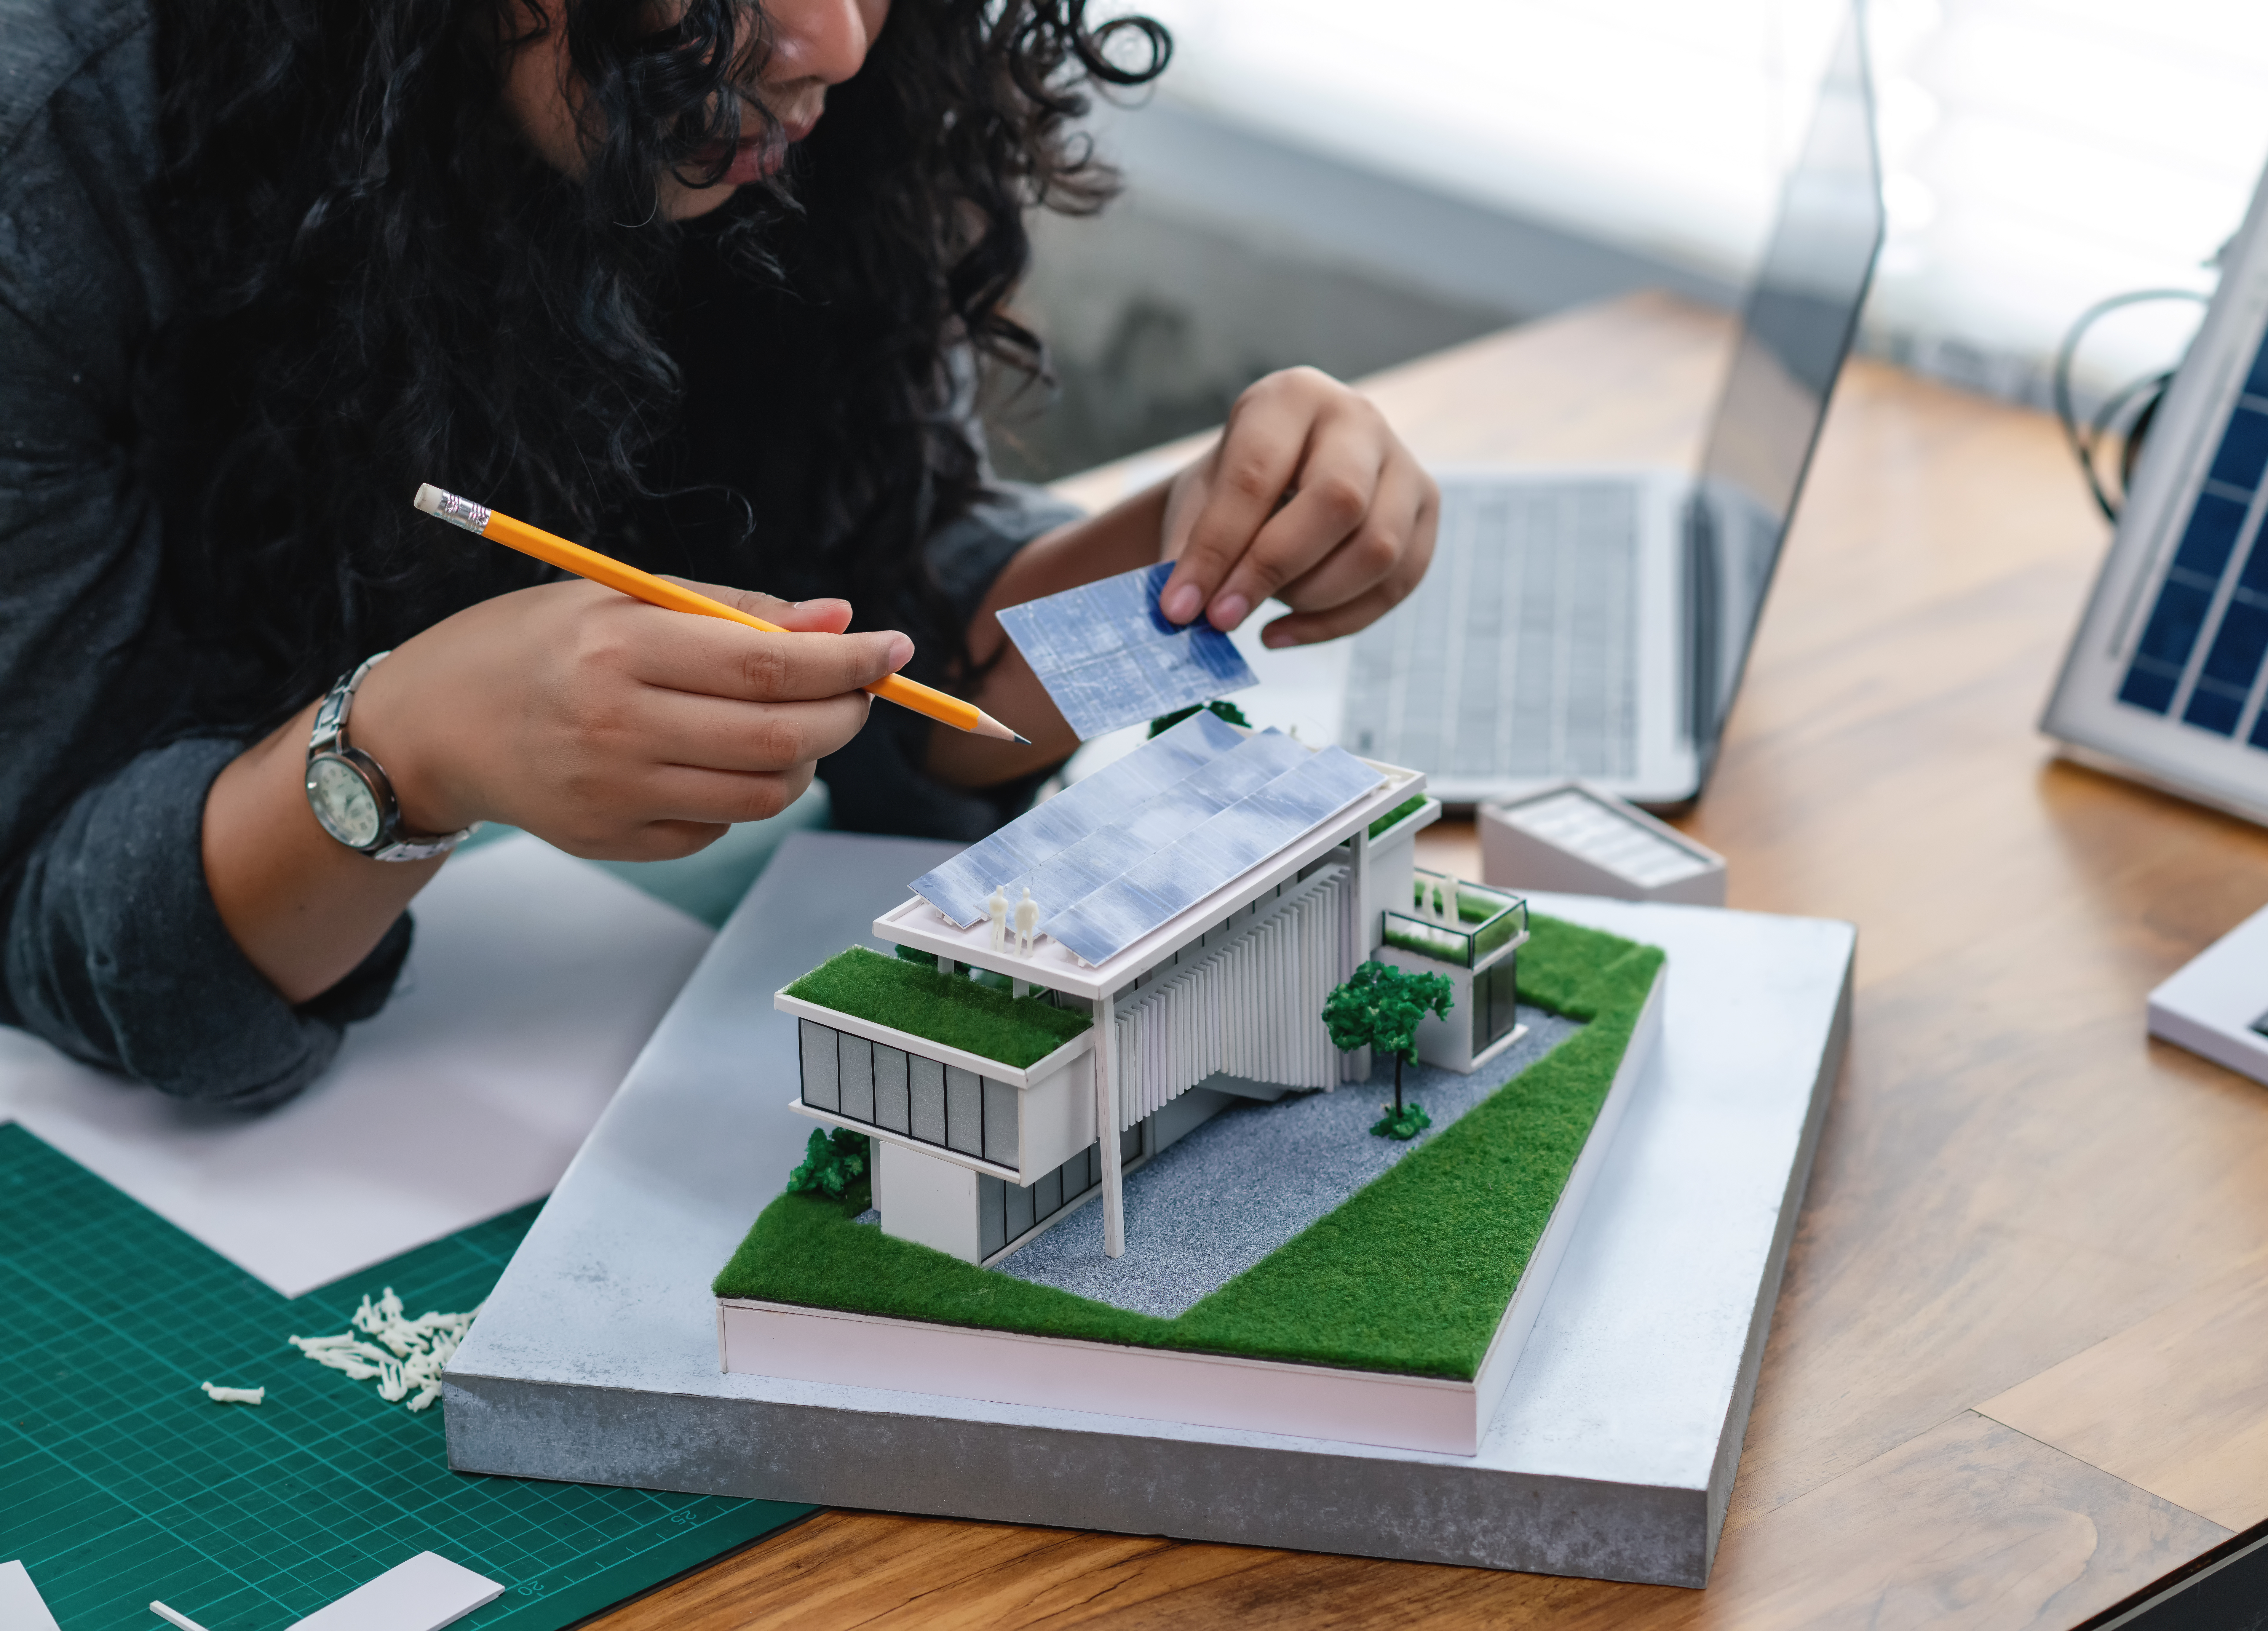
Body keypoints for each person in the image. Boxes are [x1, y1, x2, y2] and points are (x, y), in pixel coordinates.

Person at [0, 0, 1438, 1108]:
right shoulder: (54, 141)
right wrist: (408, 748)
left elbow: (917, 658)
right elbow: (63, 928)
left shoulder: (799, 121)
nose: (836, 42)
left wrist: (1188, 558)